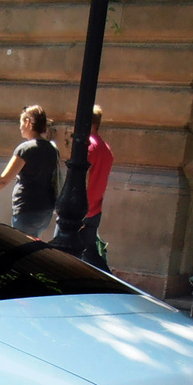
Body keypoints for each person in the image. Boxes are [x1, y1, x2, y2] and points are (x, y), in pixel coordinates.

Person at [0, 104, 59, 239]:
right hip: (45, 210)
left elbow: (3, 180)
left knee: (20, 245)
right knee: (31, 243)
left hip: (27, 208)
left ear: (28, 122)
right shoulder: (51, 149)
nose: (20, 127)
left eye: (21, 122)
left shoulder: (25, 149)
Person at [80, 105, 115, 270]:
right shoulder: (105, 148)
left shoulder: (88, 146)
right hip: (95, 208)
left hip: (81, 209)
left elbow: (82, 178)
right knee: (90, 254)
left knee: (63, 252)